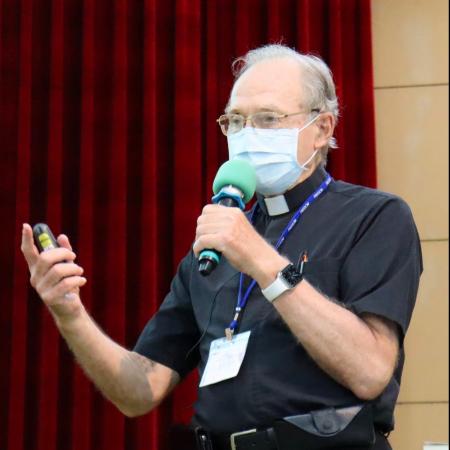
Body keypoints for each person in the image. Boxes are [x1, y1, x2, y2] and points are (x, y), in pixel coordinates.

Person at [21, 44, 422, 450]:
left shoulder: (374, 217)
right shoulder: (218, 241)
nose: (247, 135)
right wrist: (69, 313)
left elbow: (370, 371)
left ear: (322, 129)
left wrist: (262, 261)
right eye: (235, 121)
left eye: (267, 118)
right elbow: (140, 390)